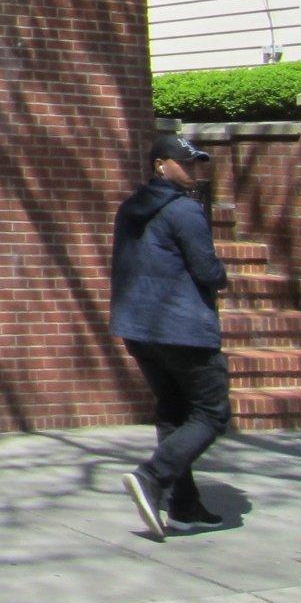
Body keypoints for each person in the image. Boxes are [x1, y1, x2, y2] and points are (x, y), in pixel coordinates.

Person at [112, 131, 231, 538]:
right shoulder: (184, 211)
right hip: (183, 330)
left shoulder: (129, 209)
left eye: (197, 162)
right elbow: (206, 269)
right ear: (160, 164)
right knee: (212, 413)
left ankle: (185, 503)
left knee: (173, 412)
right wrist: (222, 277)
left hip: (140, 329)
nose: (194, 170)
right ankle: (152, 477)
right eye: (186, 162)